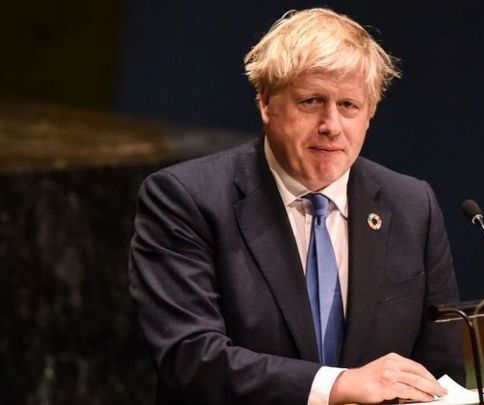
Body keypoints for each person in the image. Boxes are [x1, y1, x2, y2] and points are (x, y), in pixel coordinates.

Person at [129, 8, 464, 405]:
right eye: (311, 101)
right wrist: (337, 385)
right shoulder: (186, 199)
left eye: (349, 106)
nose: (331, 125)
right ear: (267, 104)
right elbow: (191, 359)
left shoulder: (411, 205)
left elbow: (440, 374)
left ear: (370, 114)